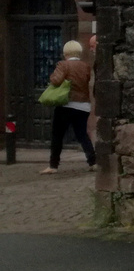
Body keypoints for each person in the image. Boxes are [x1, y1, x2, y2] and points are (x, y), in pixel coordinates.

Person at [41, 40, 96, 174]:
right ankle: (93, 162)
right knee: (82, 135)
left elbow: (56, 80)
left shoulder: (63, 65)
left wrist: (52, 76)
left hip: (66, 105)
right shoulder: (86, 66)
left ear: (66, 52)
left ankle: (53, 165)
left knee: (57, 135)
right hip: (83, 105)